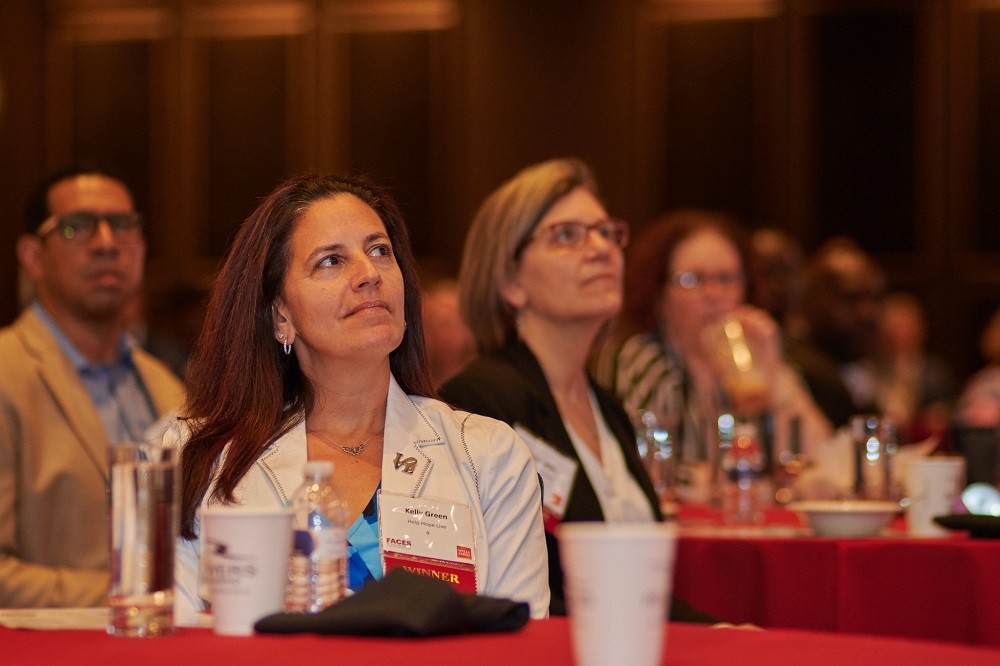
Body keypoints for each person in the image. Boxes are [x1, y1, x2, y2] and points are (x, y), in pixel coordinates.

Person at [170, 172, 549, 623]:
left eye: (379, 251)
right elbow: (176, 640)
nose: (369, 274)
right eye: (331, 261)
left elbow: (522, 644)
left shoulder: (490, 455)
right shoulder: (195, 456)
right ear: (280, 316)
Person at [439, 159, 711, 621]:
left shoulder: (607, 407)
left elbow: (637, 591)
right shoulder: (481, 403)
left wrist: (718, 630)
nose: (601, 249)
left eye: (607, 232)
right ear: (510, 282)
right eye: (567, 235)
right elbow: (501, 590)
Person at [0, 165, 185, 607]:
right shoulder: (7, 371)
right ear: (32, 256)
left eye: (123, 225)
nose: (106, 243)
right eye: (76, 227)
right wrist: (128, 595)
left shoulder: (166, 386)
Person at [592, 210, 831, 497]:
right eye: (693, 280)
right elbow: (638, 468)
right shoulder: (642, 360)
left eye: (728, 278)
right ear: (659, 294)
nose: (714, 294)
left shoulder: (747, 359)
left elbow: (820, 461)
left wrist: (772, 370)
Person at [785, 238, 886, 428]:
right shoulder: (803, 371)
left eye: (875, 298)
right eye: (852, 298)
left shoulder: (852, 365)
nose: (868, 314)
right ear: (810, 299)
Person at [420, 275, 475, 388]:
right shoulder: (413, 388)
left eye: (447, 324)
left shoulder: (481, 384)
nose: (440, 335)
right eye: (431, 323)